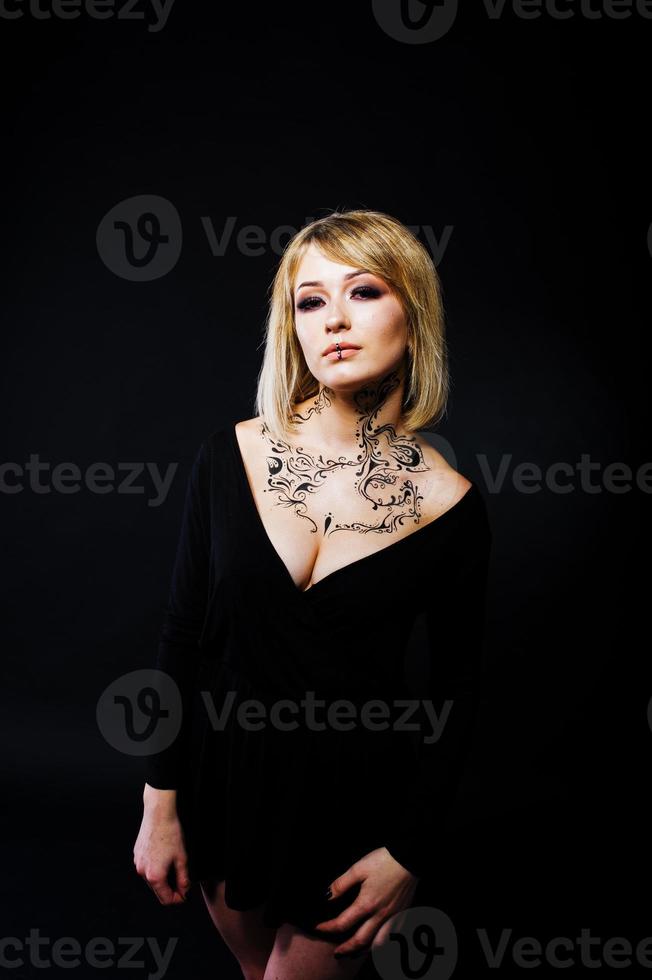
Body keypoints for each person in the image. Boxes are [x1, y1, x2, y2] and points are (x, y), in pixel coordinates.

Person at [133, 208, 492, 980]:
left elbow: (459, 687)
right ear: (289, 325)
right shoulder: (229, 454)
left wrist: (409, 851)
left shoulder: (450, 502)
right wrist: (159, 805)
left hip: (354, 808)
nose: (333, 320)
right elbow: (182, 634)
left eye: (362, 292)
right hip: (224, 789)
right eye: (309, 300)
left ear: (412, 311)